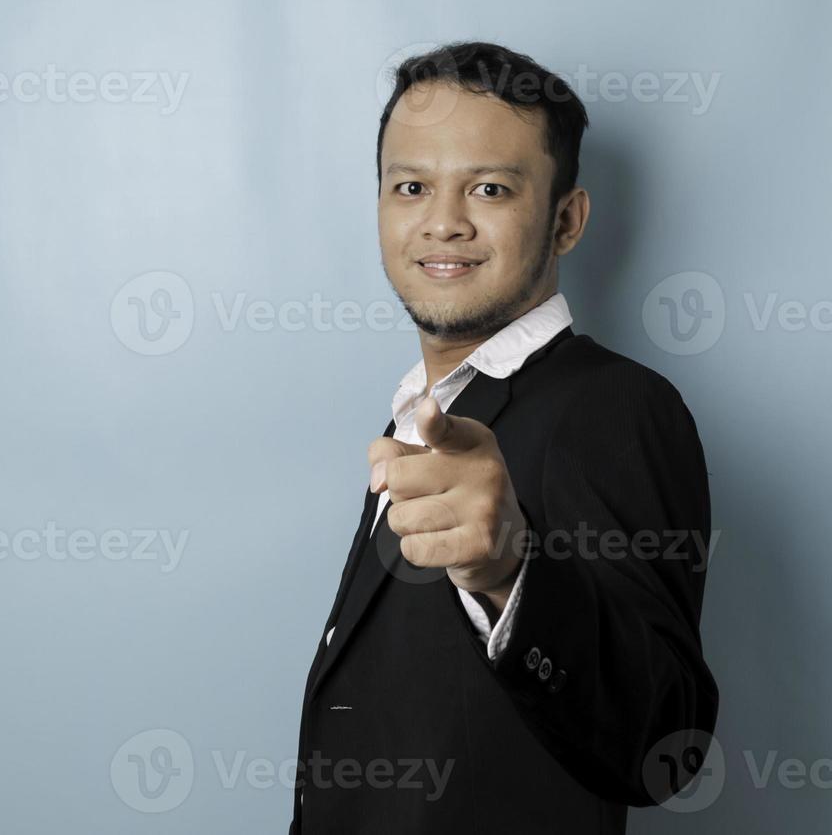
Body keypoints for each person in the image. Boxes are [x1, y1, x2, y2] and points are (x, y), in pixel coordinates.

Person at [290, 41, 719, 834]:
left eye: (489, 188)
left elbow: (669, 741)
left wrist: (510, 571)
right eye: (411, 186)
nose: (443, 223)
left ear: (566, 220)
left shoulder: (616, 407)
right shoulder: (421, 410)